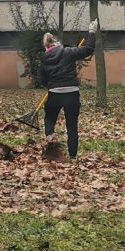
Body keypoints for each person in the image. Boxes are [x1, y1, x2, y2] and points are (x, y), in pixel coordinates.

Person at [39, 19, 98, 161]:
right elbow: (88, 50)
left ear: (46, 46)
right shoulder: (68, 52)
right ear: (57, 42)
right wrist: (92, 32)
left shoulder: (44, 59)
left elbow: (42, 80)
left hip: (54, 93)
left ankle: (50, 139)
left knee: (49, 119)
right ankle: (73, 157)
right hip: (71, 94)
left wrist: (51, 85)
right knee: (72, 127)